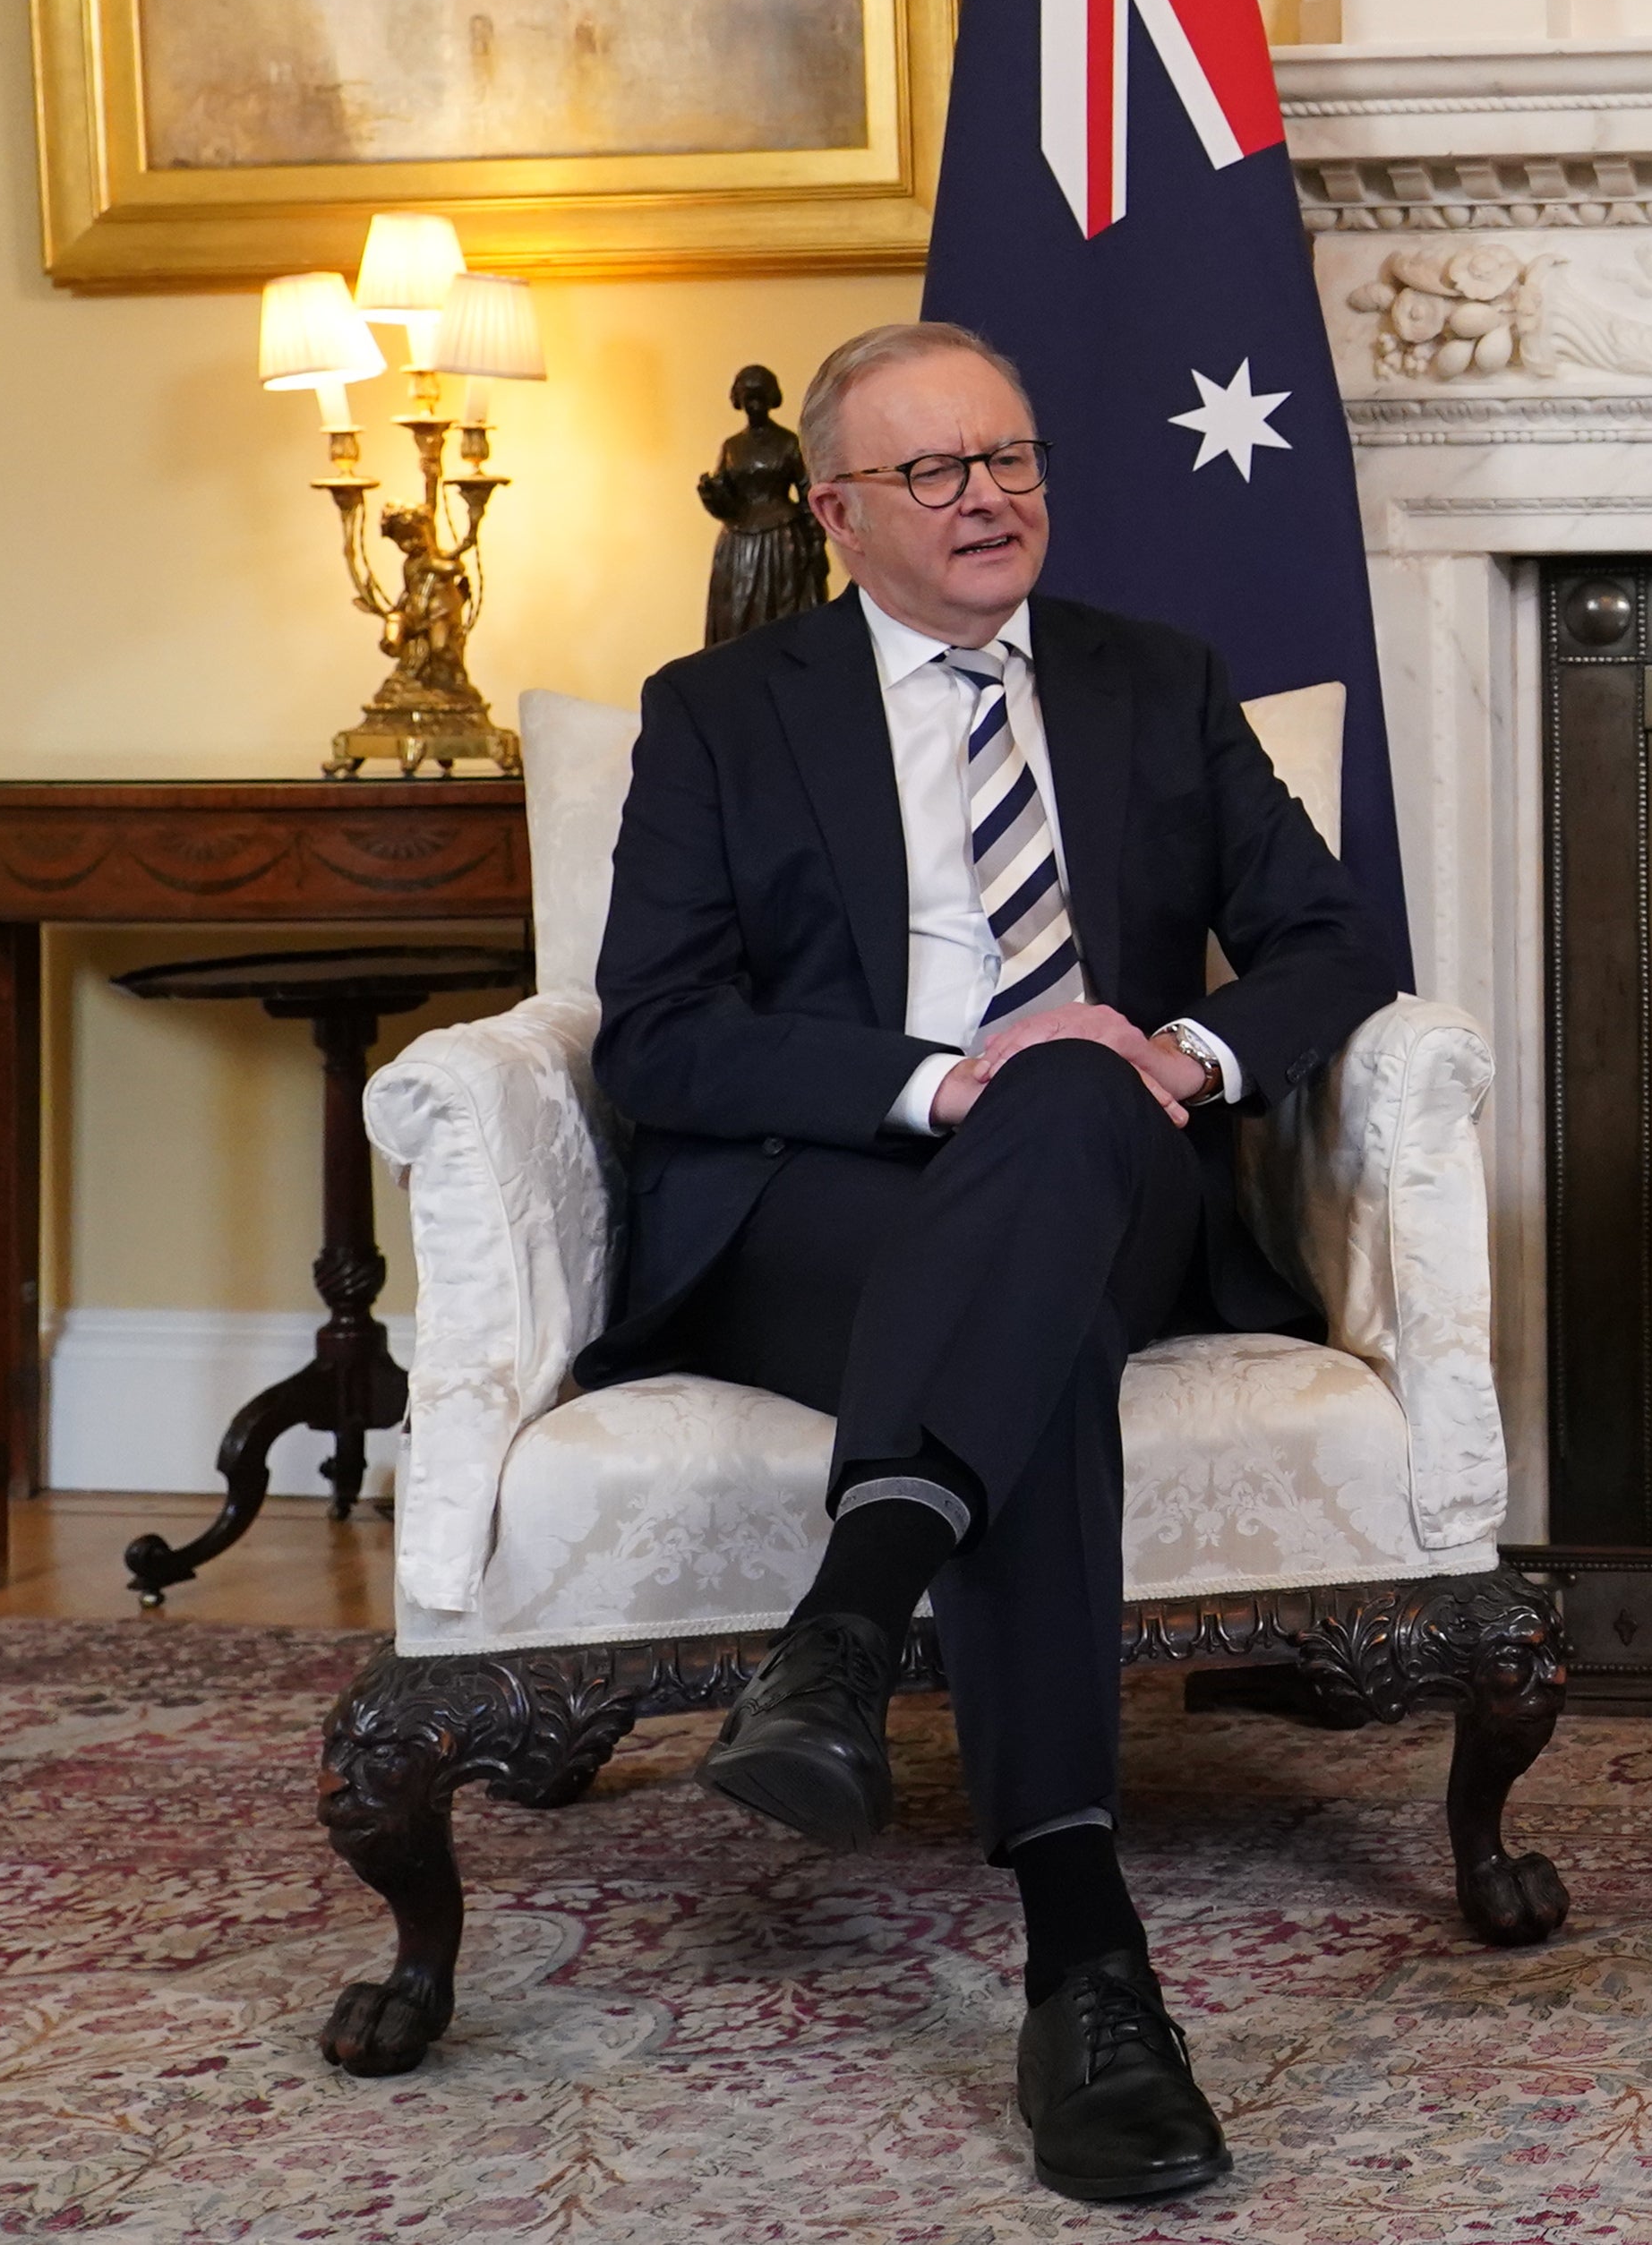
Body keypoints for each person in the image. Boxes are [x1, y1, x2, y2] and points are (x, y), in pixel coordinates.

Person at [578, 317, 1391, 2207]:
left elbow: (1327, 941)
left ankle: (849, 1624)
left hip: (1120, 1170)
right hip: (831, 1196)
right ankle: (1087, 1964)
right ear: (841, 513)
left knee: (1079, 1102)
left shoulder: (1155, 681)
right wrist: (950, 1077)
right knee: (1032, 1343)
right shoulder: (722, 709)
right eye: (935, 473)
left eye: (1009, 457)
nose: (986, 497)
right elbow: (659, 1033)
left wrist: (1173, 1051)